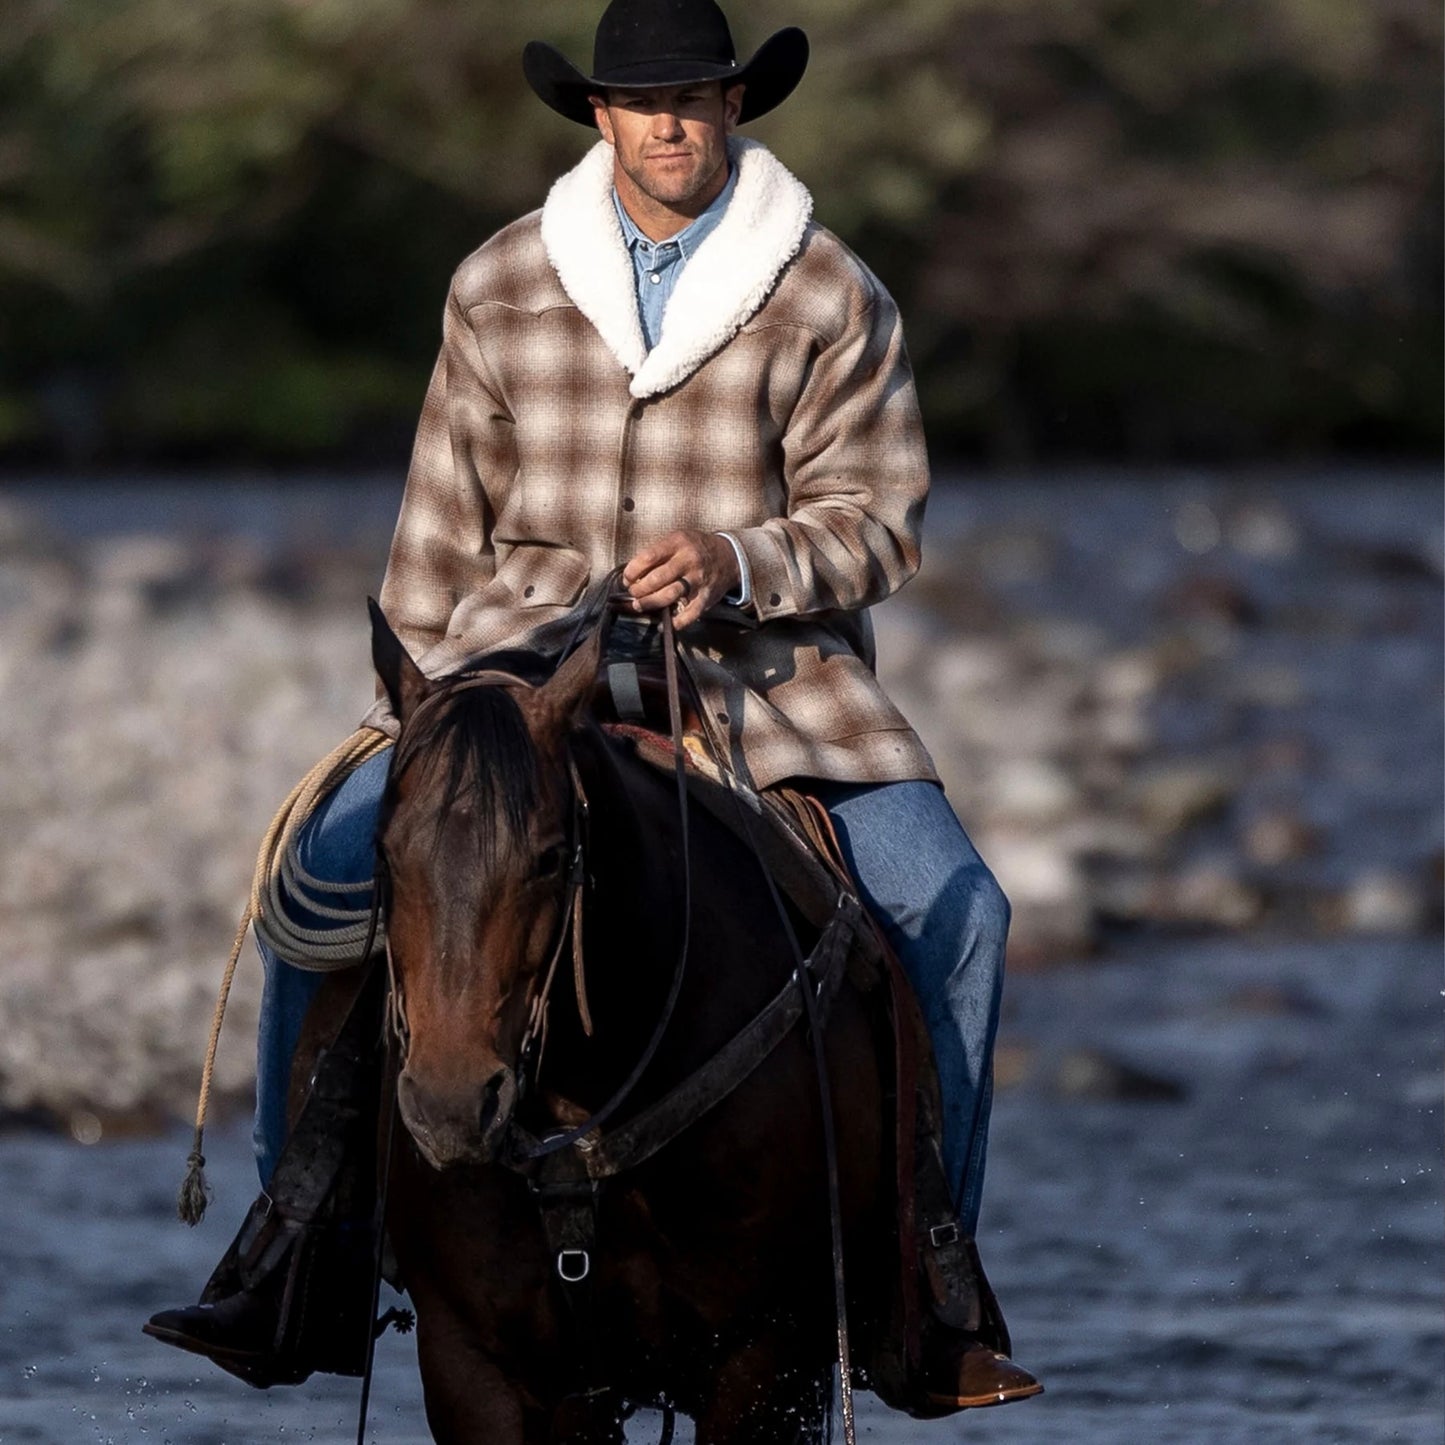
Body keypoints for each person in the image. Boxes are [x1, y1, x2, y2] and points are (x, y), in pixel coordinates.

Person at [145, 0, 1041, 1412]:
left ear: (736, 107)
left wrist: (742, 559)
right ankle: (292, 1240)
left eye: (696, 97)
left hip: (764, 687)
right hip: (506, 676)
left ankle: (928, 1287)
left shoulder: (829, 291)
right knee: (317, 879)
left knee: (959, 911)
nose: (670, 122)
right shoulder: (497, 281)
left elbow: (881, 522)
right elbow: (436, 538)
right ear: (599, 118)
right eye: (643, 102)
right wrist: (430, 718)